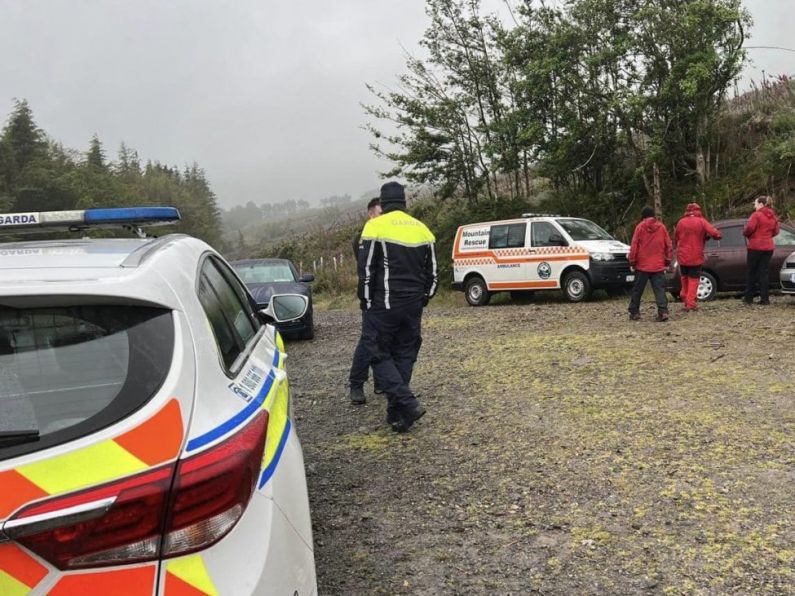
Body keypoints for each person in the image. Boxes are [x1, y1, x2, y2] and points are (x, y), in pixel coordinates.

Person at [357, 181, 437, 432]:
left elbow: (367, 270)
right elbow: (433, 274)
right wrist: (424, 298)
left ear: (383, 201)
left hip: (383, 305)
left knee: (377, 352)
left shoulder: (374, 226)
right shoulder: (423, 230)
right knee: (404, 355)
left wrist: (367, 302)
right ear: (404, 202)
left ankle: (408, 403)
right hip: (413, 307)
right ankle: (397, 414)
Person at [349, 197, 382, 405]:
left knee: (385, 338)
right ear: (371, 214)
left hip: (386, 294)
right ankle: (356, 383)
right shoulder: (361, 238)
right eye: (380, 214)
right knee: (368, 340)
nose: (383, 218)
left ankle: (381, 381)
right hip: (371, 296)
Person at [673, 202, 722, 311]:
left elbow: (676, 237)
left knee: (684, 277)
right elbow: (716, 234)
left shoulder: (681, 222)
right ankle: (690, 303)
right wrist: (710, 236)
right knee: (693, 279)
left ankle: (684, 295)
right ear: (698, 210)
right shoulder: (701, 221)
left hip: (682, 255)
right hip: (695, 255)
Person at [628, 206, 673, 321]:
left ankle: (634, 312)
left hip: (642, 265)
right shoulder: (661, 227)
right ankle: (663, 312)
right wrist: (667, 260)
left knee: (638, 290)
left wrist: (632, 262)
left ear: (643, 216)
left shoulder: (640, 227)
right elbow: (668, 245)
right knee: (659, 289)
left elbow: (634, 246)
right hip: (658, 265)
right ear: (653, 215)